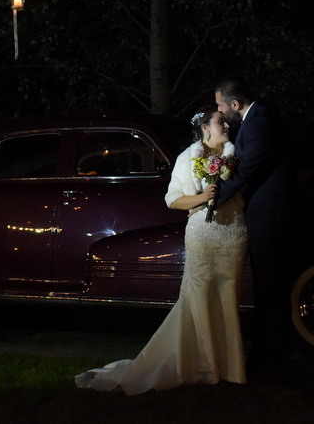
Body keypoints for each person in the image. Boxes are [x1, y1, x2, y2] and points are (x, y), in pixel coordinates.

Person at [74, 106, 248, 394]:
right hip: (203, 236)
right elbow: (173, 200)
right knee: (199, 296)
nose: (226, 126)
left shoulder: (233, 158)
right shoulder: (187, 159)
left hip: (233, 234)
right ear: (205, 127)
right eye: (220, 122)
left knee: (229, 296)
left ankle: (231, 366)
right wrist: (202, 197)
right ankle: (204, 366)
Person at [213, 76, 293, 379]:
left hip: (270, 216)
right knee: (266, 286)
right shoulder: (257, 120)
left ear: (235, 104)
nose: (219, 111)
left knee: (270, 287)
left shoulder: (258, 123)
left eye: (221, 105)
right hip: (264, 213)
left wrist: (213, 196)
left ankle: (273, 361)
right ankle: (266, 354)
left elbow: (245, 169)